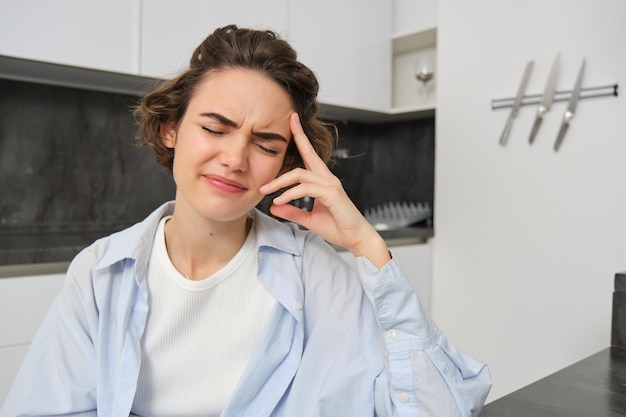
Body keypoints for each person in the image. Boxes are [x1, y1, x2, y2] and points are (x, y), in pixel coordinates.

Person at [0, 25, 491, 417]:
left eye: (266, 144)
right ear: (172, 129)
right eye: (215, 128)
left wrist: (366, 243)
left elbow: (439, 408)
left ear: (283, 164)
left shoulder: (312, 271)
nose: (235, 158)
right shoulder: (100, 273)